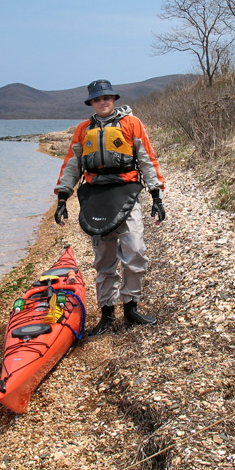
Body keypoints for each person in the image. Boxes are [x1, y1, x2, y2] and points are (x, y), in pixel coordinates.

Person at [53, 79, 166, 335]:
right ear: (91, 103)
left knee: (135, 250)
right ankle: (106, 313)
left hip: (127, 193)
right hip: (96, 197)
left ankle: (131, 307)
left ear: (113, 99)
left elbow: (148, 159)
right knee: (104, 259)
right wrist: (62, 198)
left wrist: (157, 195)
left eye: (106, 98)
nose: (102, 102)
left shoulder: (132, 124)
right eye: (97, 99)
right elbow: (72, 164)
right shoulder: (84, 129)